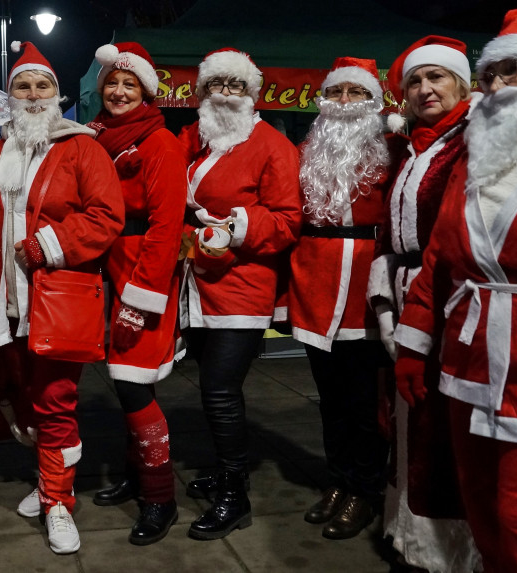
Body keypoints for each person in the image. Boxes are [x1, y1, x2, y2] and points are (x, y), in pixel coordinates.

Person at [394, 5, 517, 572]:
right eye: (489, 72)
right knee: (482, 510)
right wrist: (415, 343)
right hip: (467, 357)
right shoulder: (478, 152)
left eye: (511, 70)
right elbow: (443, 253)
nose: (494, 86)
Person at [0, 41, 124, 554]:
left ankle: (60, 502)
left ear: (58, 95)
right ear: (11, 96)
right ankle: (47, 481)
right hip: (2, 303)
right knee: (21, 402)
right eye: (23, 85)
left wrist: (45, 246)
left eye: (43, 85)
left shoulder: (81, 147)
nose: (34, 94)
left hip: (59, 300)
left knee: (56, 403)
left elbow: (106, 216)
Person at [177, 47, 302, 540]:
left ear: (252, 94)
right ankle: (227, 472)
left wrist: (236, 228)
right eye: (216, 85)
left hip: (245, 286)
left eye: (235, 86)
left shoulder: (273, 145)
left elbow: (289, 219)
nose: (225, 95)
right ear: (202, 92)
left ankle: (235, 495)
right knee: (211, 388)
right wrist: (197, 243)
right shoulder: (196, 141)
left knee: (220, 390)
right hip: (200, 278)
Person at [368, 36, 480, 572]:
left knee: (444, 423)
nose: (424, 88)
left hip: (453, 299)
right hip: (405, 292)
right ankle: (409, 534)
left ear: (461, 83)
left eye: (436, 77)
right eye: (415, 80)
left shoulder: (472, 139)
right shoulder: (414, 147)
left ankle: (449, 549)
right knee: (406, 418)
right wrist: (386, 298)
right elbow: (393, 233)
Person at [283, 57, 394, 540]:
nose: (346, 102)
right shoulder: (306, 149)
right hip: (315, 280)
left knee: (365, 400)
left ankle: (366, 491)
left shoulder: (393, 147)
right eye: (338, 93)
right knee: (329, 397)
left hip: (365, 283)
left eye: (357, 93)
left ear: (374, 101)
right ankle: (338, 479)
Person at [85, 42, 187, 546]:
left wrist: (138, 296)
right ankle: (134, 474)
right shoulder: (98, 138)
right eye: (112, 83)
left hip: (140, 278)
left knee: (133, 387)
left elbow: (167, 229)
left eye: (130, 84)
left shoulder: (160, 143)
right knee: (122, 386)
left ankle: (160, 497)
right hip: (105, 276)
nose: (120, 91)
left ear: (146, 91)